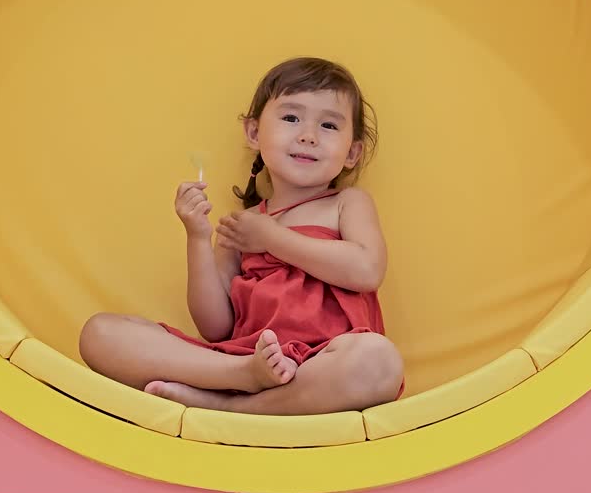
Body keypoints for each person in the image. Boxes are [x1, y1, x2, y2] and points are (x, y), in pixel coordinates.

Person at [78, 57, 402, 415]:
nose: (308, 135)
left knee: (379, 359)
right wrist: (198, 238)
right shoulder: (244, 225)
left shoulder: (346, 204)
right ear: (253, 133)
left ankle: (230, 409)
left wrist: (272, 239)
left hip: (321, 365)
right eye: (291, 118)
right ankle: (242, 380)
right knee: (100, 334)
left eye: (328, 125)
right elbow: (216, 327)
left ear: (352, 153)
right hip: (240, 361)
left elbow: (367, 270)